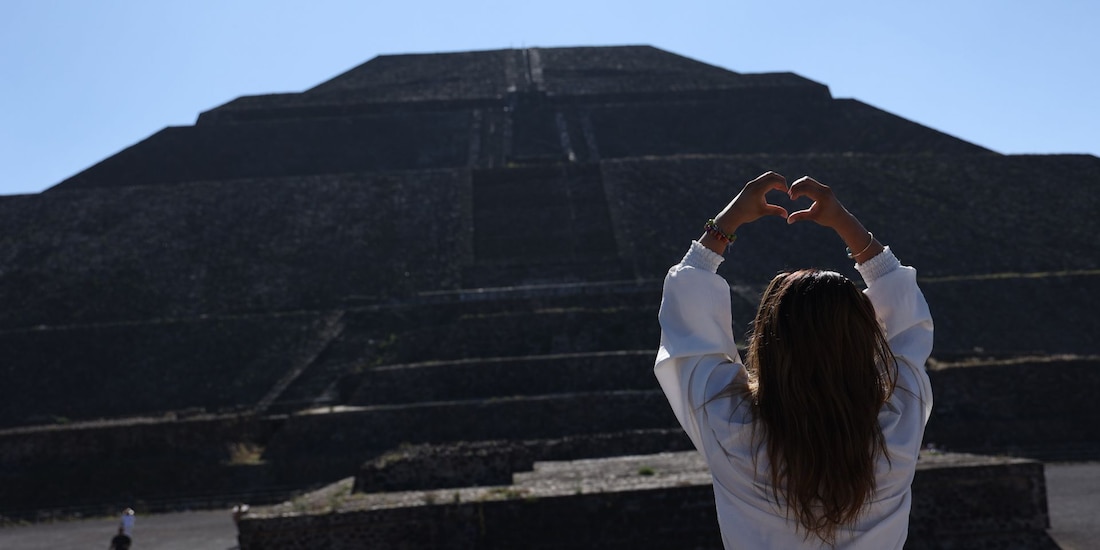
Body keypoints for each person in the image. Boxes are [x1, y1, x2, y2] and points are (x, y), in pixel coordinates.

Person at [655, 172, 933, 549]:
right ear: (862, 338)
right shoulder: (898, 429)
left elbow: (688, 317)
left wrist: (724, 226)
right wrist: (844, 222)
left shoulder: (730, 426)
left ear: (770, 343)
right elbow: (905, 318)